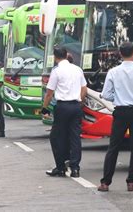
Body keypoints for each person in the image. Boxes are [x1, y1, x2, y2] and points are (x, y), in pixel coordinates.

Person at [97, 42, 133, 192]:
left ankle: (105, 182)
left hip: (121, 111)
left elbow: (106, 94)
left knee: (113, 147)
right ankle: (131, 182)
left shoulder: (113, 72)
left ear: (120, 54)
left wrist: (117, 98)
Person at [42, 47, 87, 178]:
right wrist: (80, 102)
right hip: (76, 106)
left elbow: (49, 93)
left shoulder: (56, 71)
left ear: (55, 57)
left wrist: (44, 108)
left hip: (62, 106)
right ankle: (75, 168)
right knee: (75, 137)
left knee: (56, 137)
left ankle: (60, 167)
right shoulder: (77, 69)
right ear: (66, 55)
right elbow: (84, 88)